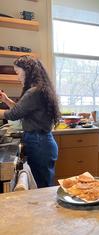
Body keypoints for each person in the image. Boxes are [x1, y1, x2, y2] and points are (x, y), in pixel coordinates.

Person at [0, 56, 60, 187]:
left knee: (42, 188)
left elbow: (13, 114)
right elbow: (20, 110)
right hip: (42, 142)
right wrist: (6, 100)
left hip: (39, 143)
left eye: (18, 72)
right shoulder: (38, 89)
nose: (18, 77)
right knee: (42, 185)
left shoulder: (34, 92)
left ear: (27, 71)